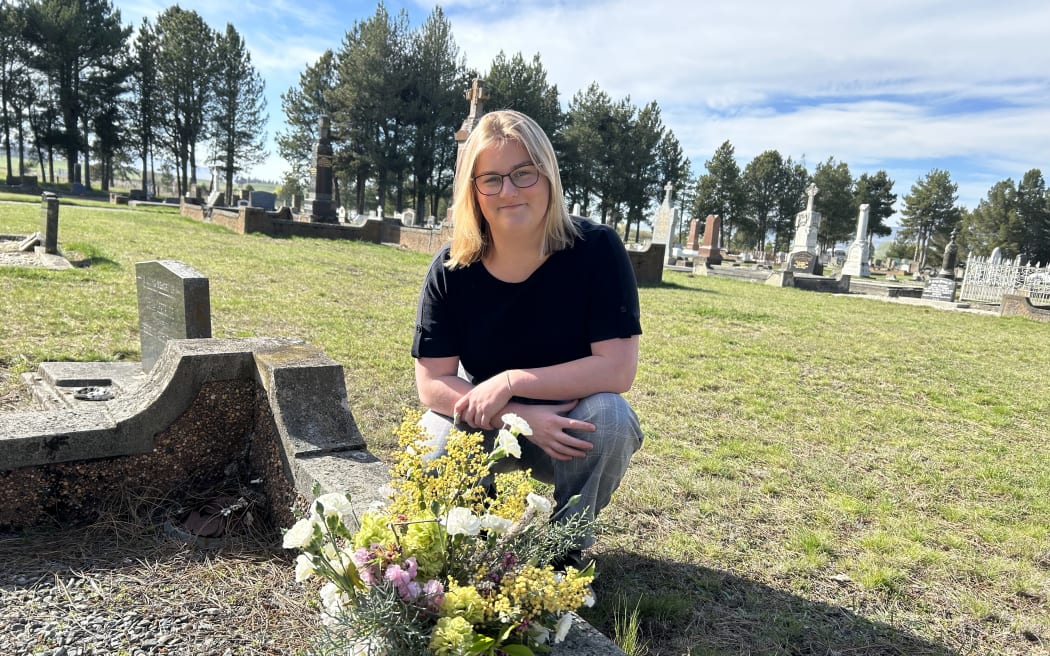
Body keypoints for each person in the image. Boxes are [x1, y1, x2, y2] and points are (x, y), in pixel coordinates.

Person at [411, 109, 643, 565]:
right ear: (473, 191)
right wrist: (513, 413)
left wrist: (512, 380)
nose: (509, 191)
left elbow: (617, 368)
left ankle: (563, 549)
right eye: (491, 179)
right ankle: (468, 541)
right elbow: (432, 383)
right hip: (488, 423)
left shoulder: (595, 251)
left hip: (568, 425)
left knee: (611, 418)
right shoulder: (451, 268)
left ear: (548, 176)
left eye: (523, 173)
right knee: (432, 439)